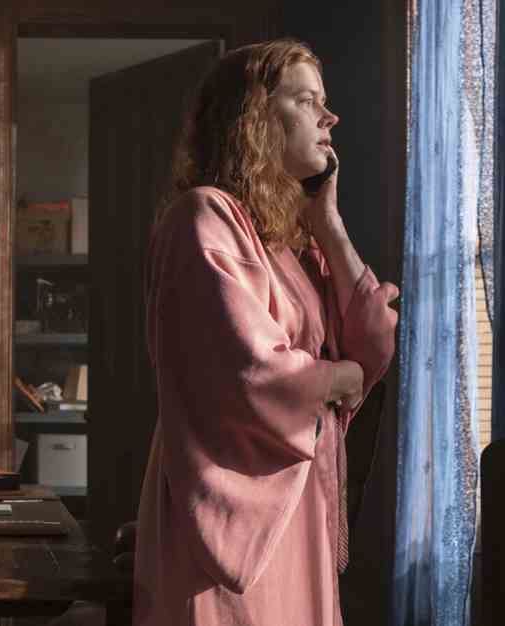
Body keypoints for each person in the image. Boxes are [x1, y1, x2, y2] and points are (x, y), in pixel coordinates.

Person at [135, 39, 399, 625]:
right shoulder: (204, 216)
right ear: (254, 118)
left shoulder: (286, 239)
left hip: (297, 508)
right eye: (306, 100)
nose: (330, 117)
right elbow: (250, 370)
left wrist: (327, 222)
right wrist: (338, 377)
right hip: (234, 520)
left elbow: (374, 342)